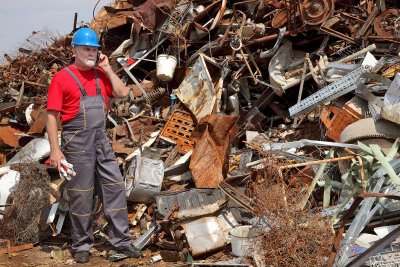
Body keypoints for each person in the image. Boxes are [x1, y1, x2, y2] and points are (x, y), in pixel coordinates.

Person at [46, 28, 141, 263]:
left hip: (101, 141)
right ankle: (81, 245)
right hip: (76, 143)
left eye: (94, 49)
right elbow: (51, 116)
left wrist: (108, 68)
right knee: (81, 196)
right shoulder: (62, 77)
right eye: (86, 48)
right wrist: (56, 151)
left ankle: (122, 241)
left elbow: (122, 92)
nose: (91, 52)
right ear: (74, 50)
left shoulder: (100, 74)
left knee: (115, 189)